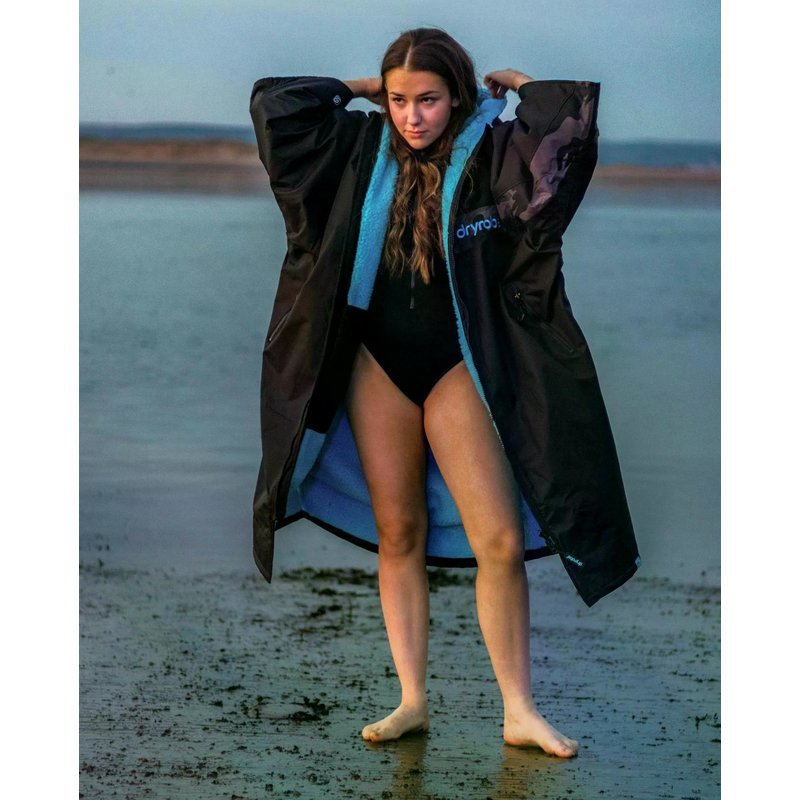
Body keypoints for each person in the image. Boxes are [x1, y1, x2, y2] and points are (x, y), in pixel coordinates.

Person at [249, 27, 640, 758]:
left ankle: (519, 709)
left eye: (427, 100)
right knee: (399, 534)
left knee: (499, 539)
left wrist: (521, 86)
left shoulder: (493, 154)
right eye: (399, 100)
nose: (412, 116)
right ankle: (411, 700)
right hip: (377, 365)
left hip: (459, 364)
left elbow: (565, 141)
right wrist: (362, 89)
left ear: (456, 95)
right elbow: (277, 110)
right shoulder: (358, 148)